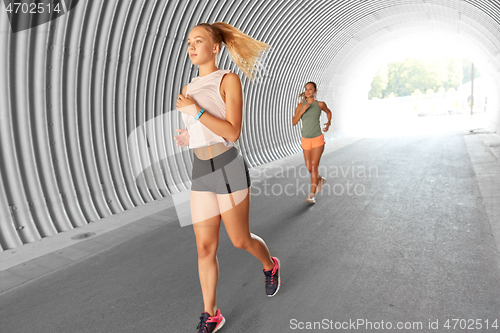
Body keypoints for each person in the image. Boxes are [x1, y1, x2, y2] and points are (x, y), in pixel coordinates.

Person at [174, 22, 280, 333]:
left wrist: (195, 113)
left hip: (227, 167)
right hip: (200, 171)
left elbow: (232, 131)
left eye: (199, 41)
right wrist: (187, 136)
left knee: (239, 240)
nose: (192, 47)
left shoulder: (228, 80)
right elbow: (201, 130)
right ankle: (211, 313)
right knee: (204, 248)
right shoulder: (188, 89)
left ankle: (270, 265)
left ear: (216, 47)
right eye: (189, 42)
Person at [292, 82, 332, 204]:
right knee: (309, 168)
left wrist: (328, 123)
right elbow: (294, 122)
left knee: (314, 167)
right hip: (305, 140)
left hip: (317, 139)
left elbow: (329, 112)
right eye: (306, 89)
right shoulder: (300, 106)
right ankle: (319, 180)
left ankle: (312, 195)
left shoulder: (320, 104)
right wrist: (302, 111)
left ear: (315, 91)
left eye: (310, 89)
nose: (308, 91)